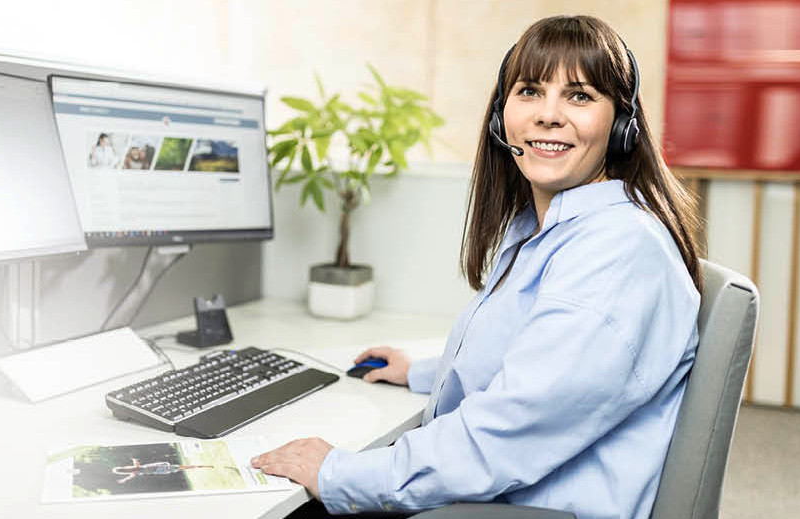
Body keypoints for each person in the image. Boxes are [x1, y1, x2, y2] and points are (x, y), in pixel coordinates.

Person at [250, 15, 704, 519]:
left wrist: (340, 473)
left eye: (579, 96)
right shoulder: (549, 229)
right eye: (530, 91)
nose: (548, 115)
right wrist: (424, 372)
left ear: (621, 125)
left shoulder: (617, 252)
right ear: (499, 116)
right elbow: (538, 368)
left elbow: (508, 434)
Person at [110, 458, 227, 484]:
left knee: (181, 468)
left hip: (159, 470)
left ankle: (198, 466)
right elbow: (136, 464)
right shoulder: (135, 469)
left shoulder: (134, 471)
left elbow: (131, 475)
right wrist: (134, 460)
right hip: (159, 467)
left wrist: (123, 479)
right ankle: (199, 466)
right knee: (182, 467)